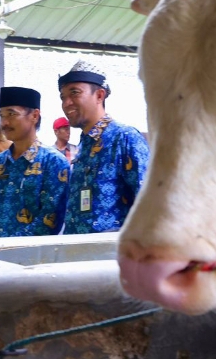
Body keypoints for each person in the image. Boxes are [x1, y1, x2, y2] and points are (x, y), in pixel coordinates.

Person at [59, 60, 149, 234]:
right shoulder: (84, 144)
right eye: (62, 97)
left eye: (74, 93)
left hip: (110, 255)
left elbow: (149, 203)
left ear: (100, 95)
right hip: (75, 252)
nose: (66, 103)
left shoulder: (124, 137)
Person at [0, 87, 69, 238]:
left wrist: (5, 248)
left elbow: (49, 221)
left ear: (34, 116)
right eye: (1, 115)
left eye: (11, 114)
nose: (4, 122)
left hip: (31, 257)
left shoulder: (54, 163)